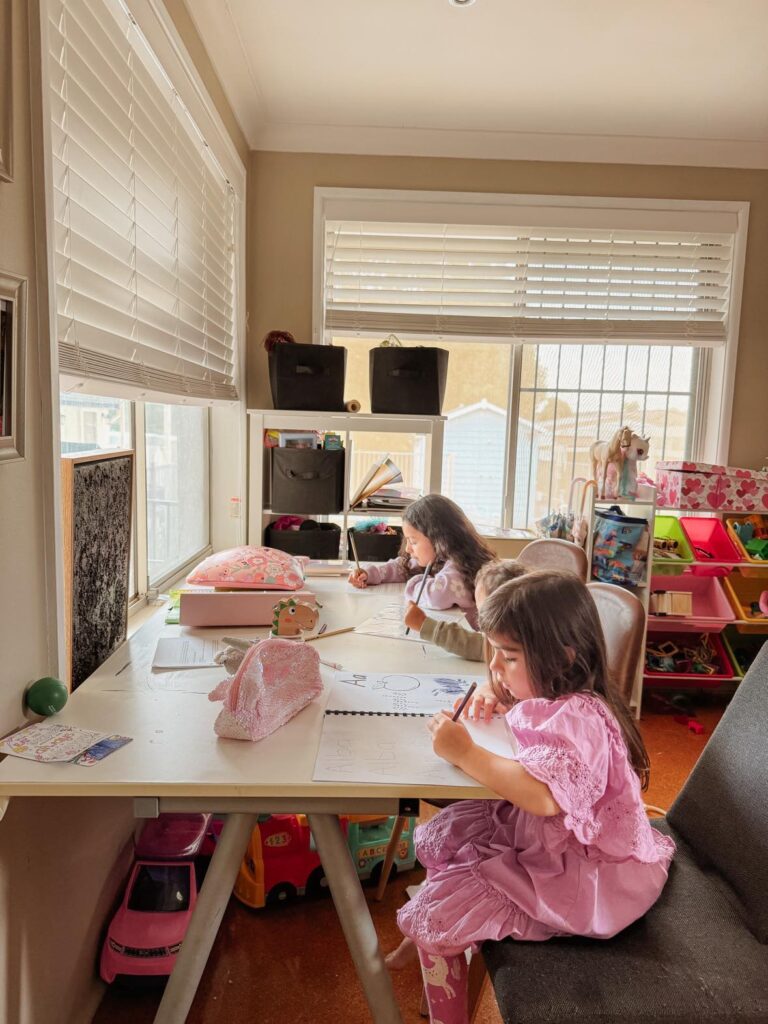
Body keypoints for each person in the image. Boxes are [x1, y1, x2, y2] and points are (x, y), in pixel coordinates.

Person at [393, 570, 675, 1024]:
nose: (494, 667)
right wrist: (497, 697)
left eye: (507, 657)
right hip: (550, 845)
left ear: (562, 656)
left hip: (582, 879)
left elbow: (544, 797)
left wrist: (465, 751)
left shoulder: (579, 715)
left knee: (444, 910)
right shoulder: (558, 693)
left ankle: (441, 980)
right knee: (449, 838)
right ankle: (433, 945)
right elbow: (532, 730)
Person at [348, 494, 495, 628]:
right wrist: (369, 574)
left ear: (439, 539)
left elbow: (437, 596)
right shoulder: (440, 558)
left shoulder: (458, 566)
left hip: (478, 648)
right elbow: (402, 566)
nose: (407, 549)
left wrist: (414, 582)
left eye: (413, 541)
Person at [403, 558, 526, 663]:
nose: (478, 619)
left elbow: (472, 644)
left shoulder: (513, 646)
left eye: (482, 612)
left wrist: (424, 624)